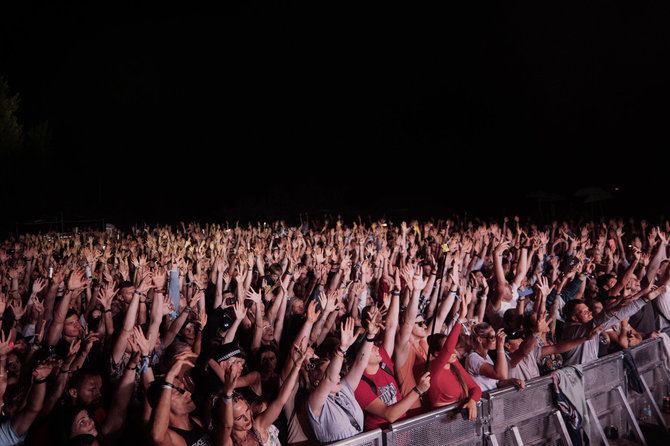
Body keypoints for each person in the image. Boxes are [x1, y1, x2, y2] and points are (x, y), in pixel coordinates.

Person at [425, 291, 481, 419]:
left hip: (459, 419)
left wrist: (472, 401)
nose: (454, 352)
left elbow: (475, 388)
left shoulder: (454, 364)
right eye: (449, 349)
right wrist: (460, 318)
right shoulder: (432, 368)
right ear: (436, 353)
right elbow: (448, 350)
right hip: (441, 423)